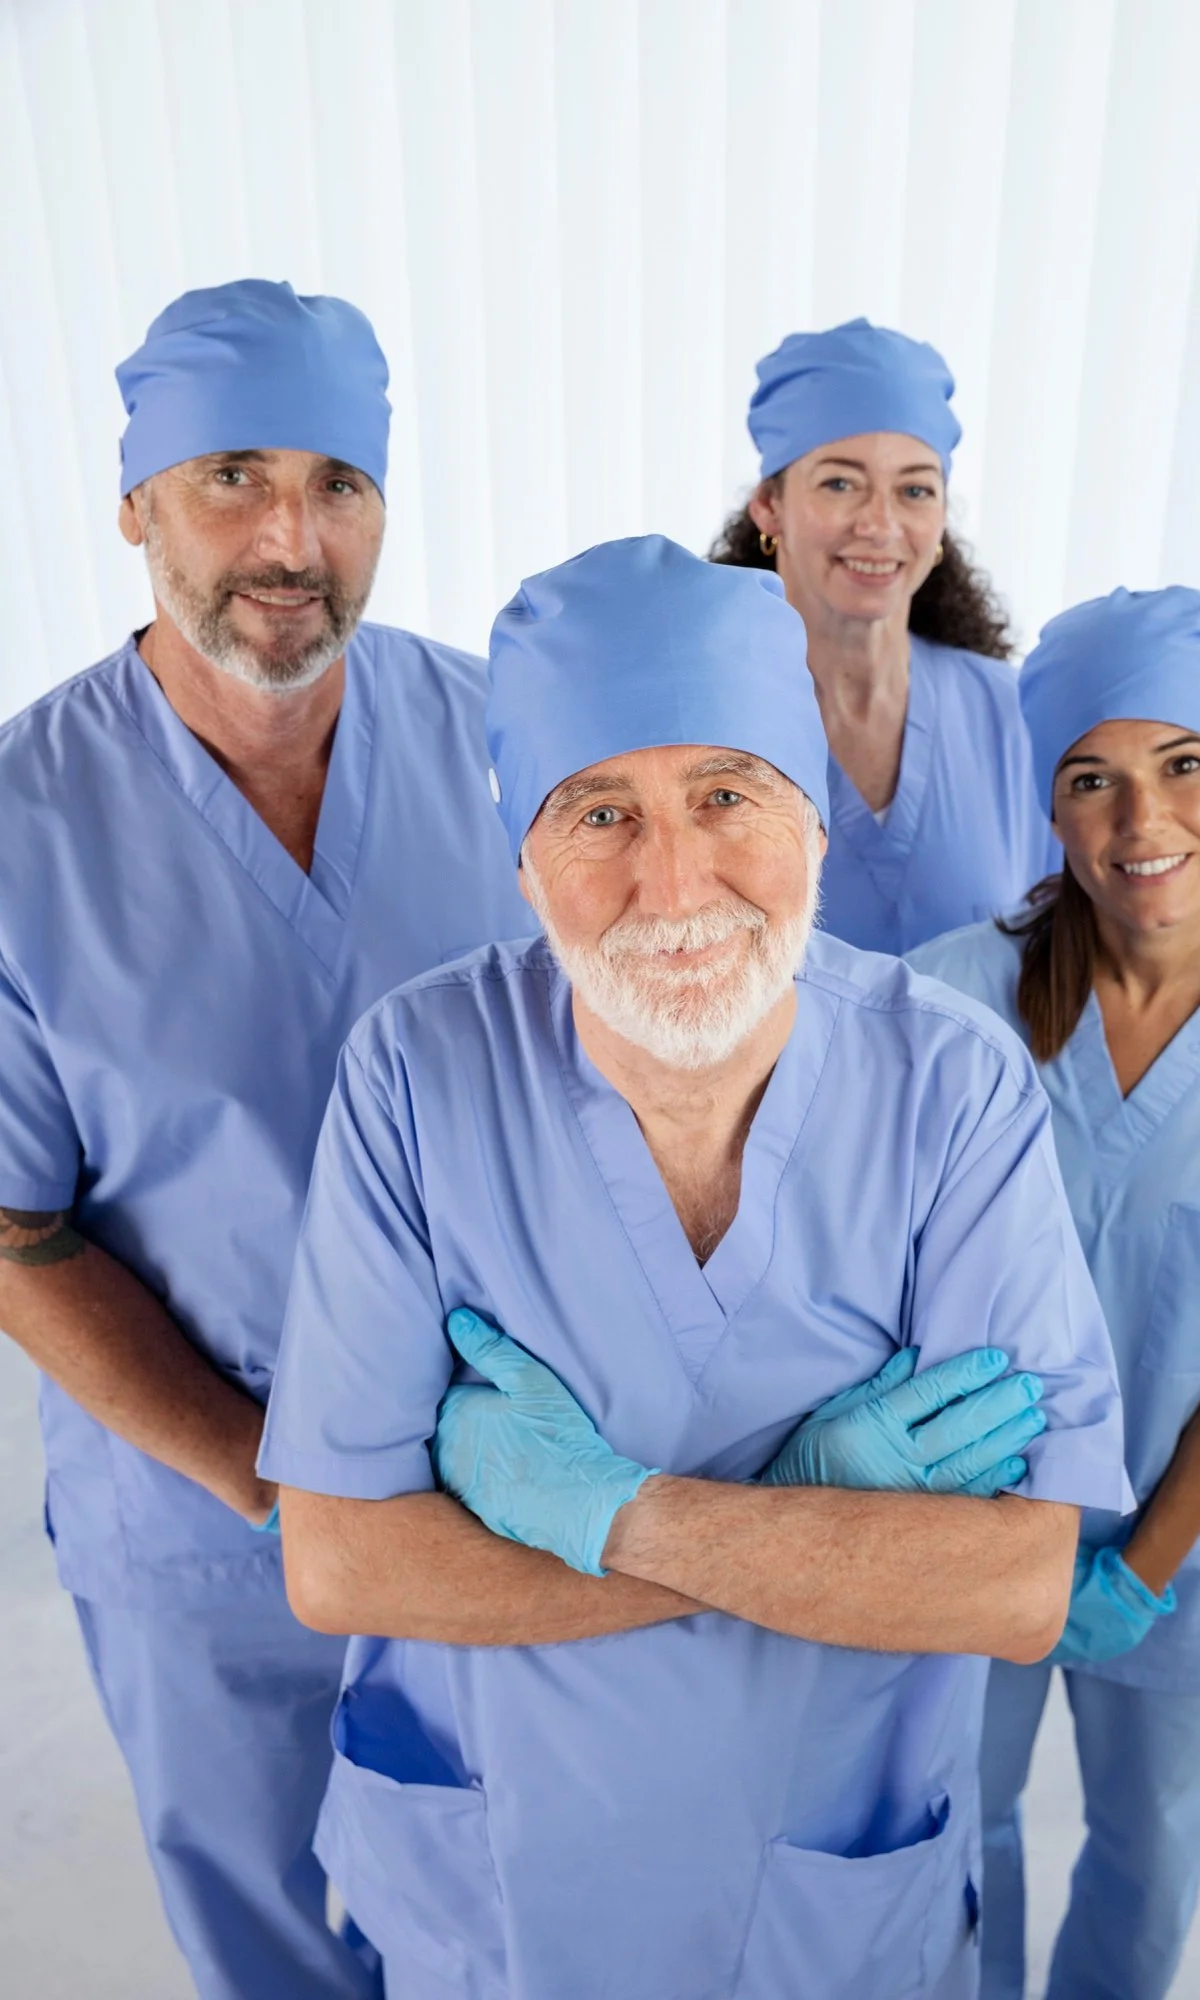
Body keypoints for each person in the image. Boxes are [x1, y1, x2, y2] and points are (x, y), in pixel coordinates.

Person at [259, 535, 1129, 2000]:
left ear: (815, 826)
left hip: (818, 1895)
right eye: (599, 809)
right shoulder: (417, 1072)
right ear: (522, 857)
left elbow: (1012, 1589)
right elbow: (343, 1563)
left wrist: (608, 1514)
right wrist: (812, 1535)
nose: (671, 881)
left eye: (726, 795)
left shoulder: (949, 1090)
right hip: (499, 1881)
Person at [0, 280, 531, 2000]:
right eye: (234, 474)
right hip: (203, 1531)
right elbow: (18, 1233)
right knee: (278, 1948)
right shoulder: (24, 827)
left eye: (341, 483)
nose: (292, 536)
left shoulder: (515, 750)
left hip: (509, 1494)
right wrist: (271, 1481)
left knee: (513, 1920)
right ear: (135, 504)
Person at [909, 587, 1200, 2000]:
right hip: (971, 1527)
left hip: (1193, 1546)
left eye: (1182, 765)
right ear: (1049, 806)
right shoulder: (956, 997)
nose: (1140, 818)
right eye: (1091, 779)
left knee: (1147, 1854)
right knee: (958, 1838)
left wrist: (1139, 1569)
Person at [710, 317, 1057, 955]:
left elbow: (1065, 965)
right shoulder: (706, 716)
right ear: (768, 505)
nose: (880, 523)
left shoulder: (1014, 716)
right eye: (840, 483)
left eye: (915, 490)